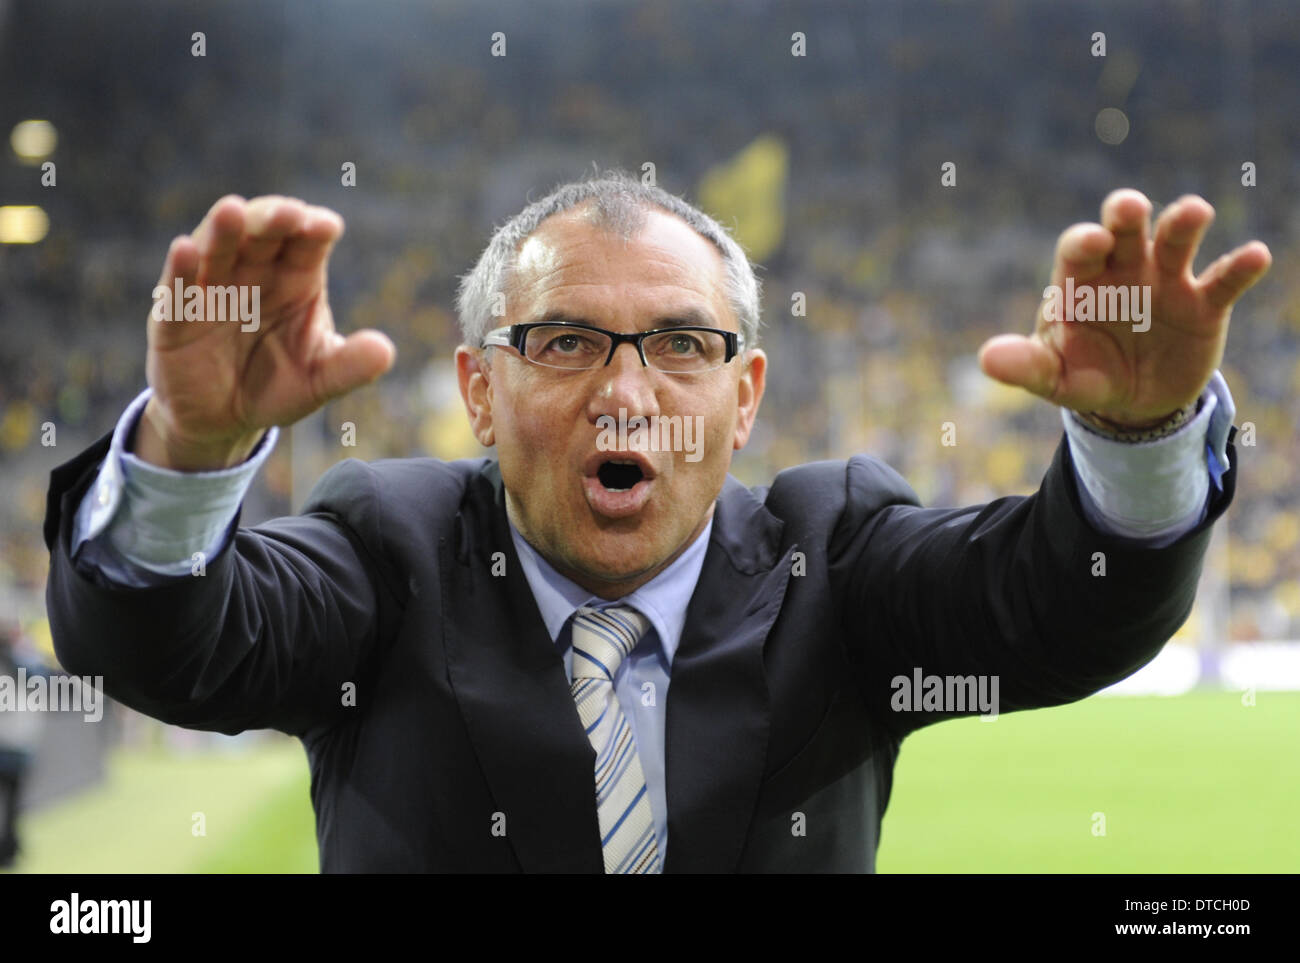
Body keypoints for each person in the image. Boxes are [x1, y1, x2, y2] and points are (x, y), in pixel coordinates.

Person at [43, 171, 1270, 872]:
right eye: (566, 341)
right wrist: (188, 461)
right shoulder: (389, 549)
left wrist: (1138, 440)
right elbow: (167, 645)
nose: (626, 393)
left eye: (682, 345)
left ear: (743, 399)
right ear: (480, 390)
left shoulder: (833, 557)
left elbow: (1065, 608)